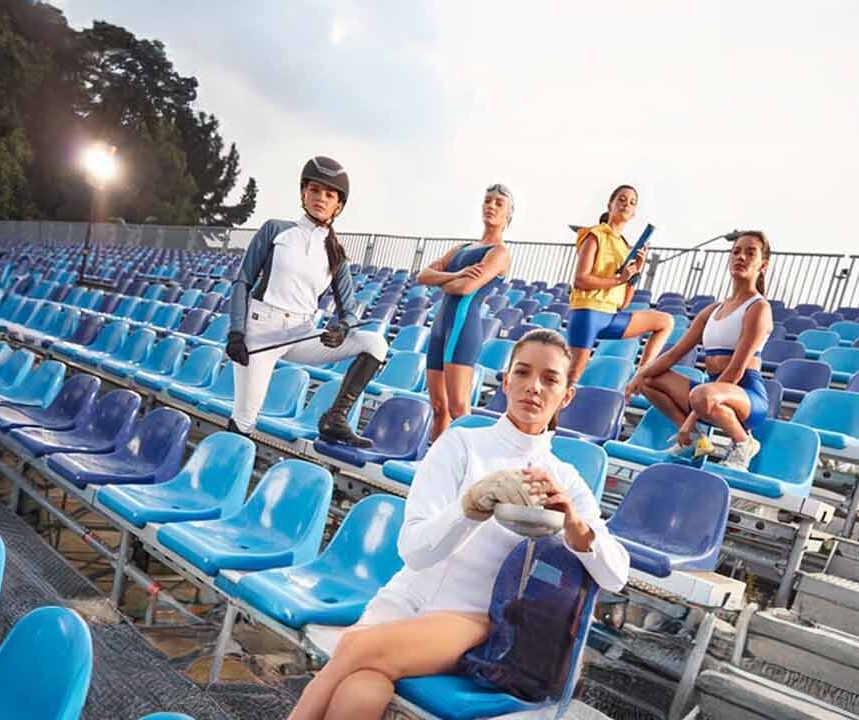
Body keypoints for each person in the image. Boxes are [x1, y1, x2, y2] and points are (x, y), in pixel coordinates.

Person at [285, 329, 630, 720]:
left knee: (353, 649)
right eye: (522, 372)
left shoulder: (564, 479)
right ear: (506, 381)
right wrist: (469, 507)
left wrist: (573, 523)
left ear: (566, 396)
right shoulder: (460, 445)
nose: (533, 387)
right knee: (361, 687)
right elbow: (414, 552)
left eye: (550, 379)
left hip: (470, 622)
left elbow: (616, 575)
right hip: (403, 600)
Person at [226, 156, 387, 446]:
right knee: (245, 419)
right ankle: (222, 469)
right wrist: (236, 331)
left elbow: (349, 311)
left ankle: (335, 418)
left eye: (329, 194)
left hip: (302, 334)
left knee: (375, 343)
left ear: (338, 205)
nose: (320, 198)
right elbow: (243, 282)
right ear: (303, 193)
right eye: (314, 190)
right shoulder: (275, 230)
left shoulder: (336, 253)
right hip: (260, 333)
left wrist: (342, 329)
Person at [625, 231, 774, 470]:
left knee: (701, 395)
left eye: (750, 253)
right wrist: (637, 377)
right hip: (708, 395)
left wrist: (692, 417)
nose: (741, 257)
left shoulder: (758, 308)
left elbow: (736, 371)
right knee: (649, 379)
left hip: (746, 396)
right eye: (736, 252)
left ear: (762, 265)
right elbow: (674, 355)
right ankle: (695, 440)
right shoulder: (712, 310)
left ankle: (744, 443)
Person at [414, 184, 514, 439]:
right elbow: (422, 276)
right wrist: (457, 273)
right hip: (440, 328)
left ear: (508, 214)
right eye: (487, 201)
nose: (491, 206)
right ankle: (434, 460)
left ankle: (470, 461)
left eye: (498, 203)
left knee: (458, 409)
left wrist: (444, 279)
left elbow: (465, 288)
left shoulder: (499, 253)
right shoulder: (462, 249)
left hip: (462, 328)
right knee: (438, 408)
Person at [565, 184, 673, 383]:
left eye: (632, 202)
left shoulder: (625, 247)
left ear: (634, 213)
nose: (626, 204)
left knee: (665, 321)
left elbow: (623, 302)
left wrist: (637, 269)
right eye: (621, 199)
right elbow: (580, 280)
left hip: (610, 315)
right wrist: (618, 279)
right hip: (588, 312)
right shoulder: (594, 235)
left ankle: (640, 377)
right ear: (610, 205)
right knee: (572, 376)